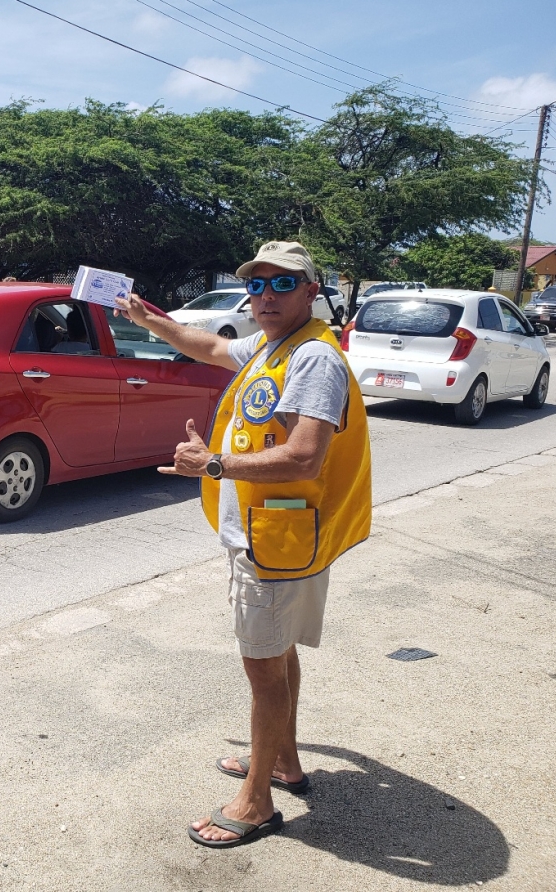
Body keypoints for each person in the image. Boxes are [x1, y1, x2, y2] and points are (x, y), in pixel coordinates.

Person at [115, 241, 372, 849]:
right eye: (256, 285)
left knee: (262, 666)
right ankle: (283, 764)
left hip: (276, 540)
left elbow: (306, 455)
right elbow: (207, 347)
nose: (265, 297)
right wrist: (151, 321)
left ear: (313, 292)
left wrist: (213, 465)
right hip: (267, 534)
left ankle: (256, 801)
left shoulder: (314, 359)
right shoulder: (272, 345)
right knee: (276, 654)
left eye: (282, 285)